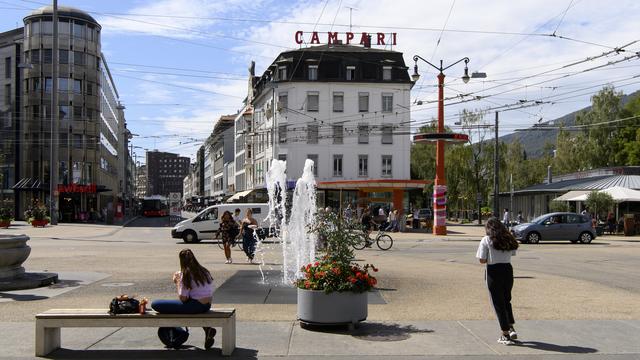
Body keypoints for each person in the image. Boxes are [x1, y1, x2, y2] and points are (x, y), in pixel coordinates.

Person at [151, 249, 216, 349]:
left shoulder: (185, 274)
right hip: (206, 305)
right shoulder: (204, 271)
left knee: (156, 304)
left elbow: (183, 298)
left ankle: (175, 331)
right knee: (182, 306)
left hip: (195, 306)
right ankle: (207, 329)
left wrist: (177, 281)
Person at [476, 218, 520, 345]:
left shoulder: (487, 240)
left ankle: (505, 333)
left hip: (493, 271)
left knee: (498, 303)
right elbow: (512, 254)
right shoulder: (508, 238)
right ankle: (510, 327)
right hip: (507, 269)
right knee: (507, 300)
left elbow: (482, 260)